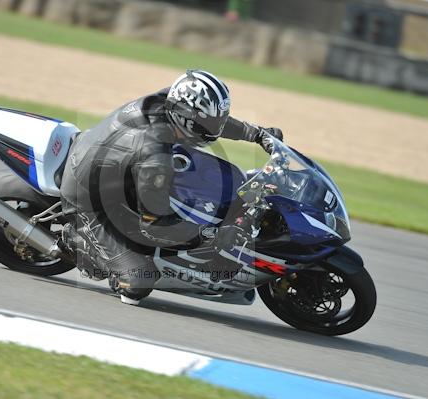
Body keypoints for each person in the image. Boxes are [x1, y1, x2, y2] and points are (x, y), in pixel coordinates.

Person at [60, 69, 283, 305]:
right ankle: (75, 240)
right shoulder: (155, 158)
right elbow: (155, 225)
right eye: (208, 123)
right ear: (186, 118)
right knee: (138, 282)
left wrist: (257, 134)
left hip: (113, 167)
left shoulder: (170, 100)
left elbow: (210, 121)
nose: (215, 129)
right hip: (87, 197)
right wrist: (211, 235)